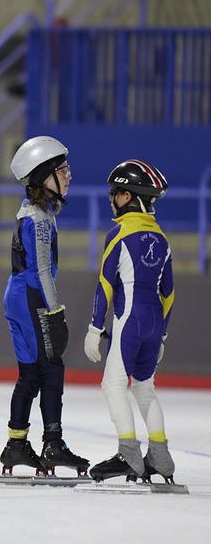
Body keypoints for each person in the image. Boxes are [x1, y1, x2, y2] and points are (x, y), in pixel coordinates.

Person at [0, 136, 88, 475]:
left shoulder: (34, 214)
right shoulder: (38, 220)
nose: (69, 176)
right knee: (52, 368)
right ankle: (53, 444)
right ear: (43, 177)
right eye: (62, 170)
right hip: (31, 296)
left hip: (18, 295)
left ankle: (16, 443)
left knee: (30, 373)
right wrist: (55, 312)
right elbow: (41, 272)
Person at [85, 160, 176, 483]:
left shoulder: (120, 232)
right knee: (144, 388)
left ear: (128, 196)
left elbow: (105, 285)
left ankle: (129, 455)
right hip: (154, 322)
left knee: (112, 385)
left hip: (130, 319)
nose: (111, 198)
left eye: (115, 192)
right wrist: (162, 336)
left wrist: (96, 327)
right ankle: (161, 458)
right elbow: (169, 294)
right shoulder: (161, 238)